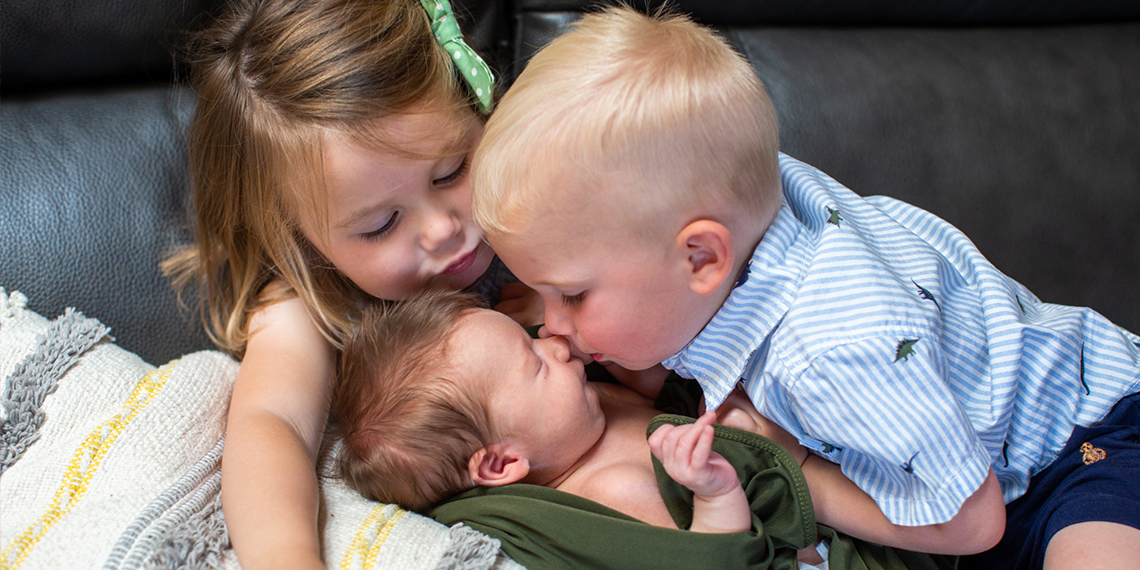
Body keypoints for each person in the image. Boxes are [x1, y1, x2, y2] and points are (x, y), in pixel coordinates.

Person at [469, 6, 1140, 570]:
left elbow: (974, 522)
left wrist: (795, 466)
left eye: (573, 295)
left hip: (1084, 448)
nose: (552, 326)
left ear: (701, 257)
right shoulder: (741, 198)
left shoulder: (828, 354)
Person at [162, 1, 540, 568]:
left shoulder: (543, 186)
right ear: (303, 239)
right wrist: (286, 557)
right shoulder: (316, 302)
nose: (442, 229)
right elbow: (273, 425)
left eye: (451, 171)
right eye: (379, 225)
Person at [332, 289, 950, 570]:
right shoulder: (608, 493)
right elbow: (718, 562)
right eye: (532, 363)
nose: (552, 346)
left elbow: (671, 389)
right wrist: (715, 494)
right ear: (501, 464)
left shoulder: (576, 411)